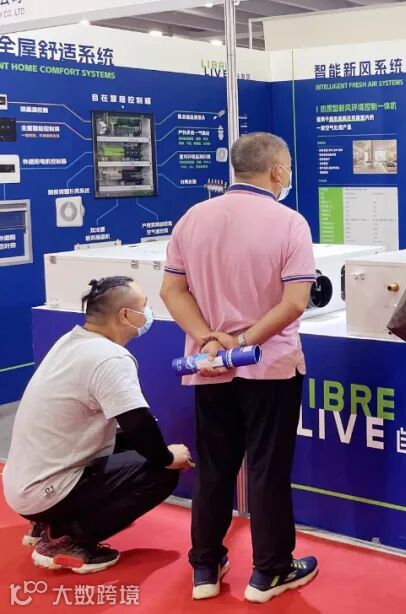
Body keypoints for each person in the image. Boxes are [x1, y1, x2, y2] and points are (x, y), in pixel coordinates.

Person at [161, 132, 318, 603]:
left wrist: (209, 339)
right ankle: (270, 570)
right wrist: (242, 341)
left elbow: (172, 291)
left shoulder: (193, 217)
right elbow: (295, 302)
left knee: (214, 467)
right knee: (268, 469)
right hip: (269, 367)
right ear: (276, 170)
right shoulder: (290, 223)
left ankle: (205, 566)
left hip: (209, 366)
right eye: (287, 167)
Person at [3, 276, 192, 573]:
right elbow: (137, 421)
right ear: (125, 315)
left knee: (132, 446)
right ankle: (68, 539)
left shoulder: (72, 341)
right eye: (144, 306)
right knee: (161, 472)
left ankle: (48, 521)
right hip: (43, 490)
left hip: (24, 481)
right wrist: (168, 458)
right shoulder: (109, 358)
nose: (148, 313)